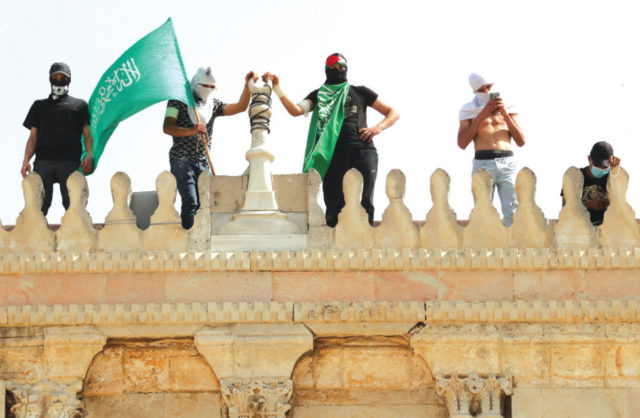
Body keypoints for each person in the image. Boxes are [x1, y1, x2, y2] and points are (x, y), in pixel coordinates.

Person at [263, 53, 399, 227]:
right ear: (326, 70)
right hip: (332, 153)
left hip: (362, 150)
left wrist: (377, 128)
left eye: (341, 68)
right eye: (333, 67)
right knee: (334, 203)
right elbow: (296, 110)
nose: (338, 70)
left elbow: (393, 112)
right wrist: (277, 88)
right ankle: (334, 247)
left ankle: (364, 242)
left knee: (365, 200)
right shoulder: (320, 95)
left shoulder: (360, 92)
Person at [163, 67, 257, 229]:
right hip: (182, 159)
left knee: (205, 205)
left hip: (202, 161)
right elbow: (168, 127)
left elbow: (240, 107)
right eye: (204, 86)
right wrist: (192, 131)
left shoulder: (212, 105)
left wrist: (247, 86)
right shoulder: (177, 101)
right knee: (191, 202)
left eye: (211, 87)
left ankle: (203, 238)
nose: (207, 90)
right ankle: (189, 237)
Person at [21, 62, 94, 215]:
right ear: (50, 79)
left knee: (73, 205)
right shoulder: (39, 106)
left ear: (69, 80)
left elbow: (88, 135)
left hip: (69, 161)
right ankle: (35, 236)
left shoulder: (79, 106)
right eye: (55, 77)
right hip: (43, 161)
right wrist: (26, 160)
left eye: (63, 77)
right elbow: (33, 138)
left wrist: (90, 154)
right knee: (38, 205)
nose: (59, 80)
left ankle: (77, 235)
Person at [457, 73, 525, 226]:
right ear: (475, 92)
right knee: (482, 212)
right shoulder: (468, 110)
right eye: (482, 89)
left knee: (512, 211)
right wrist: (482, 115)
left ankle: (512, 248)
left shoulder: (509, 106)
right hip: (482, 162)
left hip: (506, 160)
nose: (487, 92)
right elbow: (462, 143)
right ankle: (484, 248)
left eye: (489, 87)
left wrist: (505, 114)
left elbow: (521, 141)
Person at [562, 141, 620, 226]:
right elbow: (565, 209)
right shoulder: (574, 177)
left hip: (606, 230)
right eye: (597, 165)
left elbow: (620, 205)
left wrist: (615, 172)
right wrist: (589, 204)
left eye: (604, 167)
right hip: (580, 229)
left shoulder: (612, 177)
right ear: (589, 159)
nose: (601, 169)